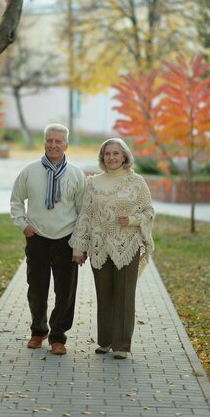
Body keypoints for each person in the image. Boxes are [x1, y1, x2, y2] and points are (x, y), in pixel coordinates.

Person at [69, 138, 155, 360]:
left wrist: (134, 219)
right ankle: (105, 341)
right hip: (99, 245)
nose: (112, 157)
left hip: (127, 245)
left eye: (116, 153)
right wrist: (78, 247)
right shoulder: (93, 183)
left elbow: (149, 211)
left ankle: (122, 345)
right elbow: (85, 215)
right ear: (102, 157)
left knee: (124, 295)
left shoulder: (136, 182)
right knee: (104, 293)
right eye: (107, 154)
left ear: (125, 156)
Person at [10, 123, 86, 356]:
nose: (53, 145)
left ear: (66, 145)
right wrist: (23, 225)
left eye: (58, 141)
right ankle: (38, 330)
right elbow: (15, 201)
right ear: (44, 142)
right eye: (49, 140)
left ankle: (58, 336)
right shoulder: (29, 171)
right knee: (37, 287)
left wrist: (80, 246)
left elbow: (84, 212)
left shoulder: (76, 174)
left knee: (66, 291)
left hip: (67, 239)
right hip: (38, 238)